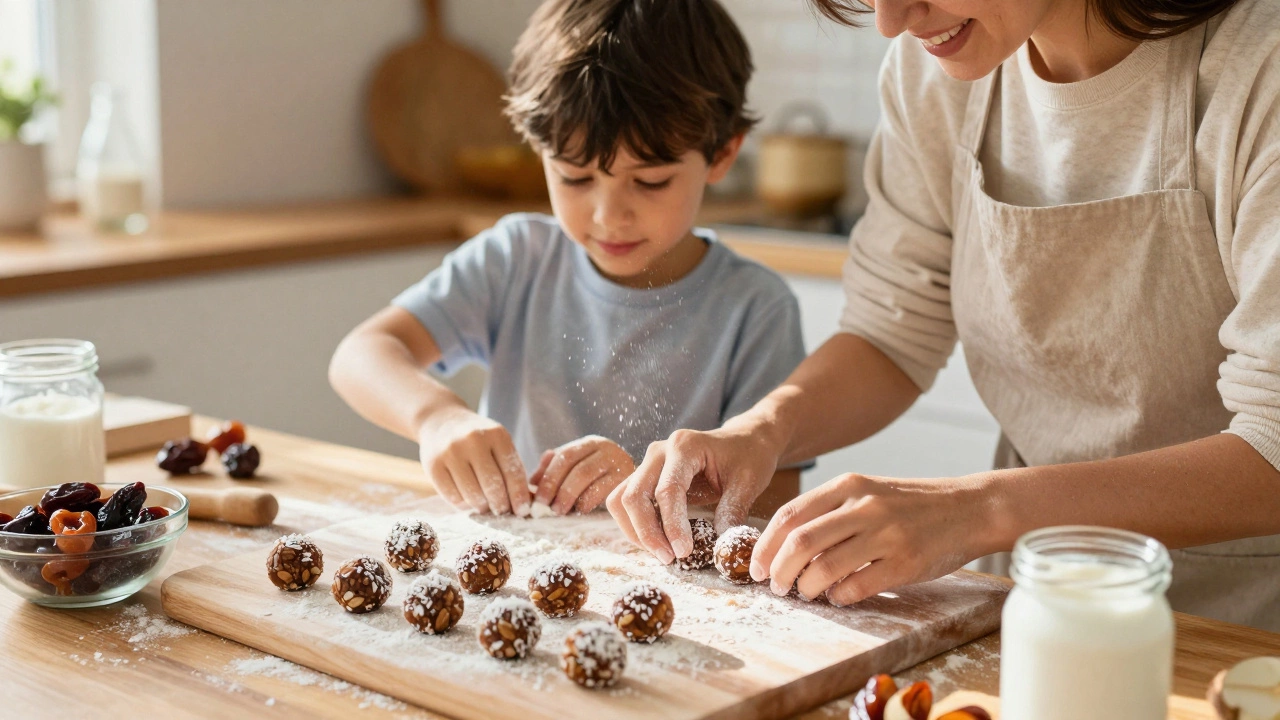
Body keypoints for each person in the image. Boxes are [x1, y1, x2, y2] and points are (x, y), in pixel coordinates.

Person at [608, 0, 1280, 631]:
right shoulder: (937, 67)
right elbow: (890, 333)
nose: (891, 21)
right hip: (1027, 603)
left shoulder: (1259, 71)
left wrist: (978, 509)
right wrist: (762, 430)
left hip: (1241, 627)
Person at [329, 0, 807, 520]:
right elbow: (361, 354)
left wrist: (646, 490)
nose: (609, 216)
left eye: (650, 181)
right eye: (575, 177)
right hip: (515, 561)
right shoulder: (516, 260)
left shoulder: (755, 309)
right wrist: (436, 417)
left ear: (723, 154)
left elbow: (772, 502)